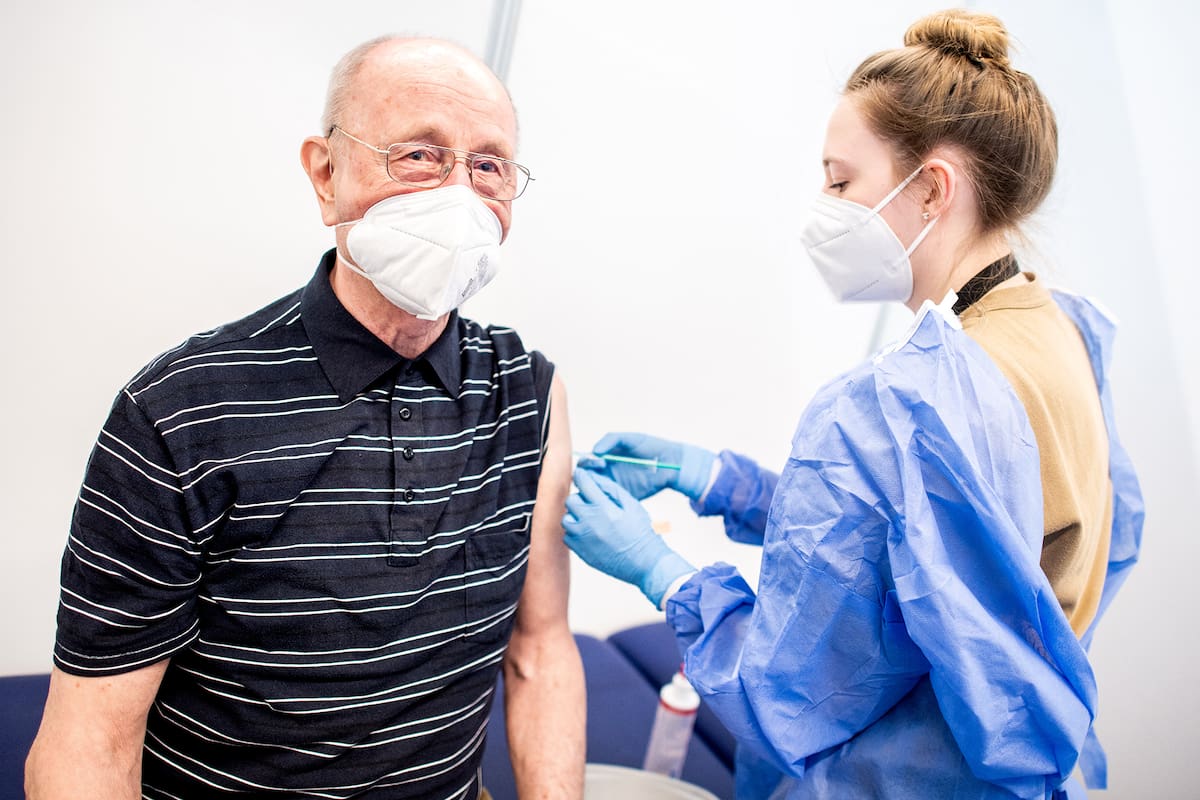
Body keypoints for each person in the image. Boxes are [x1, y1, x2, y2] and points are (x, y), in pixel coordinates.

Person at [562, 9, 1142, 800]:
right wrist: (724, 484)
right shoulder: (1060, 331)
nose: (824, 205)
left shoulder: (902, 404)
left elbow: (782, 693)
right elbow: (940, 549)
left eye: (840, 181)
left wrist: (659, 570)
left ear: (932, 188)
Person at [25, 36, 585, 800]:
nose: (459, 194)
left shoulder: (527, 391)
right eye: (419, 155)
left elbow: (539, 650)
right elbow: (88, 743)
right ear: (326, 175)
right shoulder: (182, 413)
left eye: (488, 165)